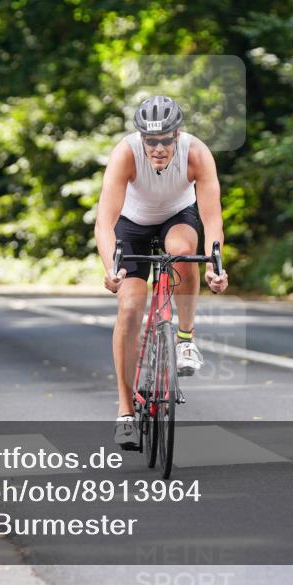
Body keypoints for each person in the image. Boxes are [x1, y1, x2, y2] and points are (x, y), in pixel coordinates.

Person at [95, 95, 229, 450]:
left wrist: (217, 265)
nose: (157, 148)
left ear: (177, 134)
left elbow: (212, 218)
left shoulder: (196, 153)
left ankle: (185, 340)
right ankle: (125, 412)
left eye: (165, 139)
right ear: (141, 138)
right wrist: (111, 269)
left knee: (184, 252)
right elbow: (104, 223)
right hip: (132, 224)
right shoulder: (125, 154)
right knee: (129, 309)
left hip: (176, 218)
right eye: (150, 140)